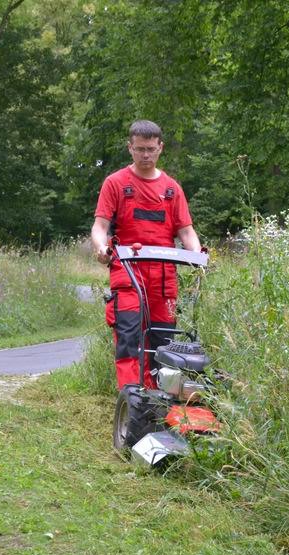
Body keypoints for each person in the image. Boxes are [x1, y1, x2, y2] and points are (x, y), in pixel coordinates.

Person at [90, 120, 202, 390]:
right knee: (129, 338)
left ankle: (161, 400)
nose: (145, 155)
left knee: (164, 343)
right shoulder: (116, 183)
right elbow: (100, 226)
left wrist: (198, 257)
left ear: (160, 147)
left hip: (163, 279)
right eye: (140, 149)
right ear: (130, 148)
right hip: (128, 273)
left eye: (151, 149)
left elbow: (186, 232)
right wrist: (101, 248)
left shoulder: (172, 189)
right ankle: (132, 400)